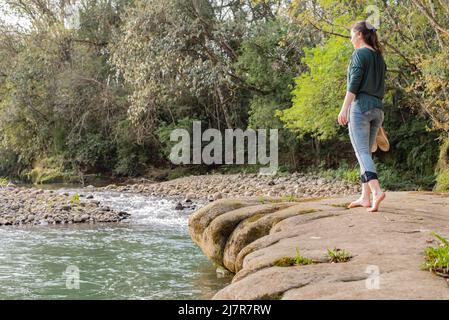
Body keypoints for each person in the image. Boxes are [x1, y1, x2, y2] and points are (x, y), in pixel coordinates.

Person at [337, 21, 387, 213]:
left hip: (361, 108)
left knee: (361, 152)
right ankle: (364, 197)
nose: (350, 39)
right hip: (378, 110)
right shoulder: (379, 57)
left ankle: (376, 191)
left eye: (351, 35)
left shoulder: (360, 54)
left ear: (359, 34)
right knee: (366, 152)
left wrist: (344, 109)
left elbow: (354, 84)